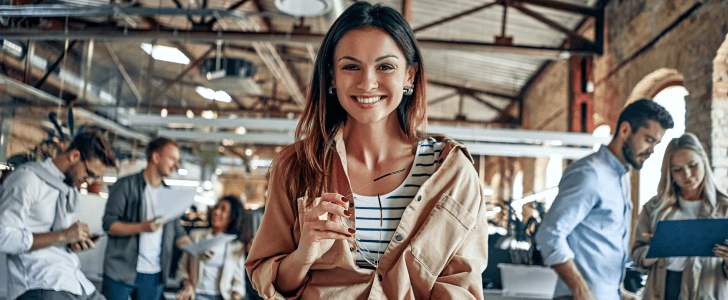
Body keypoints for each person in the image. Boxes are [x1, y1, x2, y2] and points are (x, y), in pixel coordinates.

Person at [245, 2, 488, 299]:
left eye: (385, 66)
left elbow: (462, 285)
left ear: (409, 75)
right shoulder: (296, 165)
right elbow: (266, 277)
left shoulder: (452, 173)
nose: (367, 83)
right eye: (350, 67)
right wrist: (303, 254)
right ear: (332, 77)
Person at [535, 99, 674, 300]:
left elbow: (601, 242)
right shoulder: (589, 174)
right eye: (649, 140)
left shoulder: (622, 176)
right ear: (625, 130)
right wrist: (581, 290)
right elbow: (549, 234)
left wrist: (619, 292)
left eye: (656, 143)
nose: (652, 150)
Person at [0, 130, 117, 300]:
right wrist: (63, 236)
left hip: (73, 279)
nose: (90, 181)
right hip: (42, 283)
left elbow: (56, 238)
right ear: (74, 156)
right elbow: (3, 236)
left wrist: (71, 243)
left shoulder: (66, 189)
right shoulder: (27, 179)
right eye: (90, 174)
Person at [631, 133, 728, 299]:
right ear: (670, 173)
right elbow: (637, 257)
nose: (687, 174)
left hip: (705, 292)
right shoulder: (654, 208)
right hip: (660, 291)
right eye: (678, 170)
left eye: (693, 165)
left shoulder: (724, 209)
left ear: (704, 161)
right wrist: (657, 248)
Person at [102, 137, 192, 300]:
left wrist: (197, 248)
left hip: (153, 275)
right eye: (172, 159)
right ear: (156, 157)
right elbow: (109, 225)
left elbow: (178, 233)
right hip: (120, 271)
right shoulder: (125, 185)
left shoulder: (169, 195)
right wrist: (143, 227)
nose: (176, 165)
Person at [176, 196, 247, 300]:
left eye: (223, 209)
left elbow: (239, 282)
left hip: (222, 297)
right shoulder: (195, 236)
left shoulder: (236, 246)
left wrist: (236, 294)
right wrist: (188, 285)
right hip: (196, 295)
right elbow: (182, 268)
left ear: (232, 217)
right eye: (216, 207)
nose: (216, 212)